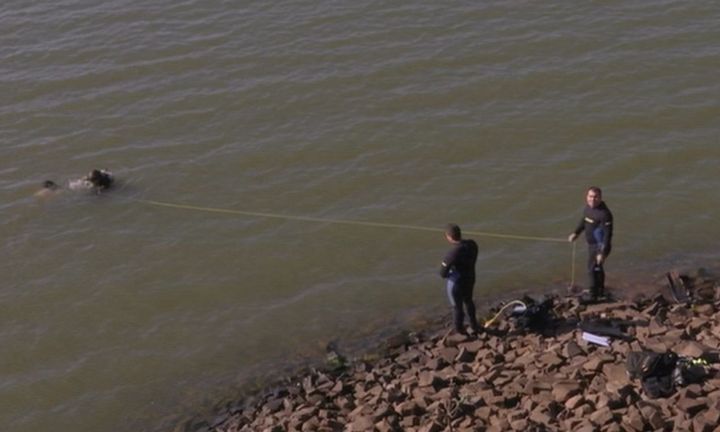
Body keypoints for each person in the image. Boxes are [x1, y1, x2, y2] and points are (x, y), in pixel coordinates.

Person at [568, 186, 614, 300]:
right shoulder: (588, 208)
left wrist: (601, 253)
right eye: (590, 196)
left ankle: (593, 295)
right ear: (586, 197)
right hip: (592, 245)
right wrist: (576, 233)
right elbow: (584, 221)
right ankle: (600, 290)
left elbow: (608, 235)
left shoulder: (604, 214)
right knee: (597, 268)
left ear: (600, 198)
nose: (592, 199)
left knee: (591, 269)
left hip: (600, 246)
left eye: (595, 197)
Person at [439, 223, 480, 335]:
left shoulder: (452, 253)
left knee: (457, 307)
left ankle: (460, 331)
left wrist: (451, 272)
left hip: (457, 284)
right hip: (470, 278)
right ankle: (474, 325)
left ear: (449, 237)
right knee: (468, 301)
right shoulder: (472, 244)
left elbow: (442, 273)